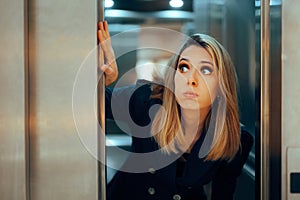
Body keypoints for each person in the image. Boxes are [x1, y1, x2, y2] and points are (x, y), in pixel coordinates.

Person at [98, 21, 254, 200]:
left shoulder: (235, 139)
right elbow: (93, 104)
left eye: (205, 70)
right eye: (184, 68)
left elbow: (223, 194)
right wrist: (105, 79)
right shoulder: (147, 101)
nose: (191, 80)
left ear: (221, 85)